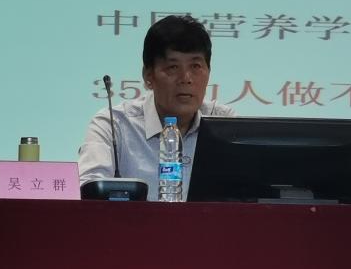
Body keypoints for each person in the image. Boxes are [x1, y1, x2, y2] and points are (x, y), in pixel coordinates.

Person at [78, 14, 235, 199]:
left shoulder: (225, 124)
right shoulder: (114, 126)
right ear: (148, 76)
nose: (186, 78)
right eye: (173, 67)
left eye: (196, 66)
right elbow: (88, 191)